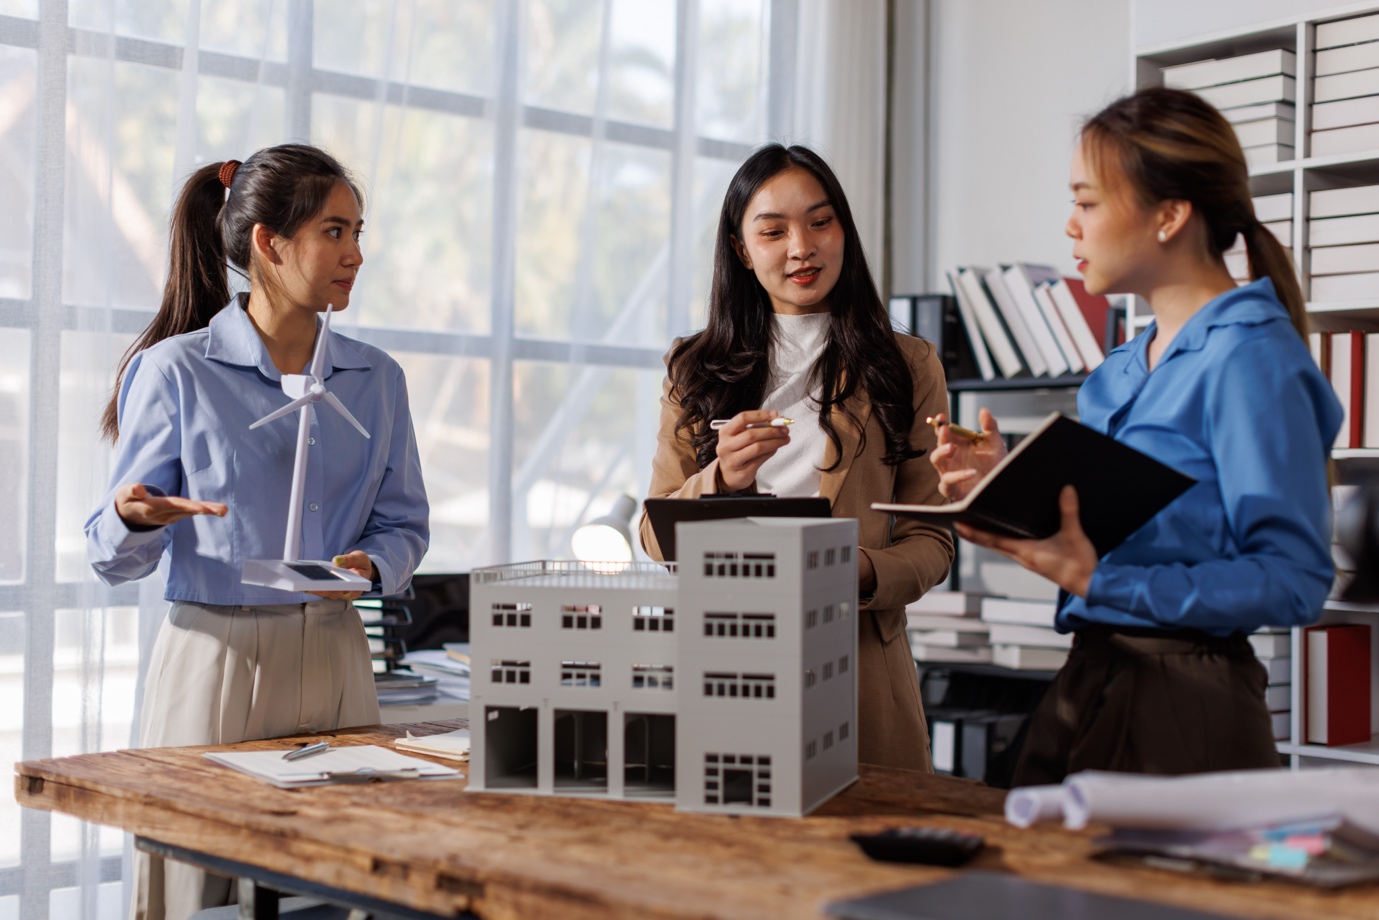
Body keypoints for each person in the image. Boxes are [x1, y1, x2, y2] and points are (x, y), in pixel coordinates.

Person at [930, 87, 1341, 784]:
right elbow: (1115, 523)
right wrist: (1011, 485)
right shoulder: (1119, 368)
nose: (1069, 227)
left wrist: (1099, 579)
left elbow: (1292, 580)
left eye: (1086, 203)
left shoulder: (1251, 358)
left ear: (1169, 216)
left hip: (1187, 705)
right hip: (1087, 680)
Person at [85, 145, 429, 920]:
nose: (356, 254)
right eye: (334, 232)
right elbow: (109, 553)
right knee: (196, 891)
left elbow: (405, 523)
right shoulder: (177, 371)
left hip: (339, 654)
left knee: (345, 884)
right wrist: (135, 516)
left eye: (358, 232)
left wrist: (370, 565)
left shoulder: (378, 380)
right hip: (216, 661)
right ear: (268, 244)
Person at [639, 143, 953, 771]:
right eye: (774, 231)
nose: (802, 247)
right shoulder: (694, 366)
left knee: (860, 859)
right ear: (741, 249)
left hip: (857, 665)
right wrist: (721, 479)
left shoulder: (906, 364)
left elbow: (933, 538)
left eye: (820, 221)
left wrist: (856, 569)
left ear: (844, 229)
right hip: (724, 660)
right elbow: (654, 535)